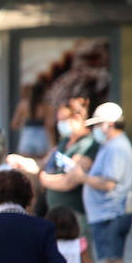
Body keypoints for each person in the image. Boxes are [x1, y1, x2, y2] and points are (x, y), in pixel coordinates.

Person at [67, 102, 132, 263]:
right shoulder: (111, 145)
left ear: (109, 124)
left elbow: (108, 182)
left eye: (98, 124)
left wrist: (81, 177)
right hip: (106, 214)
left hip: (111, 214)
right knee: (112, 262)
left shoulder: (116, 147)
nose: (97, 129)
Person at [35, 98, 97, 237]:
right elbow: (44, 163)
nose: (59, 124)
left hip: (75, 216)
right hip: (55, 214)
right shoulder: (64, 141)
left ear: (76, 117)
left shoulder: (88, 145)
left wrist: (44, 180)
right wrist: (24, 163)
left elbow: (71, 180)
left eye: (63, 120)